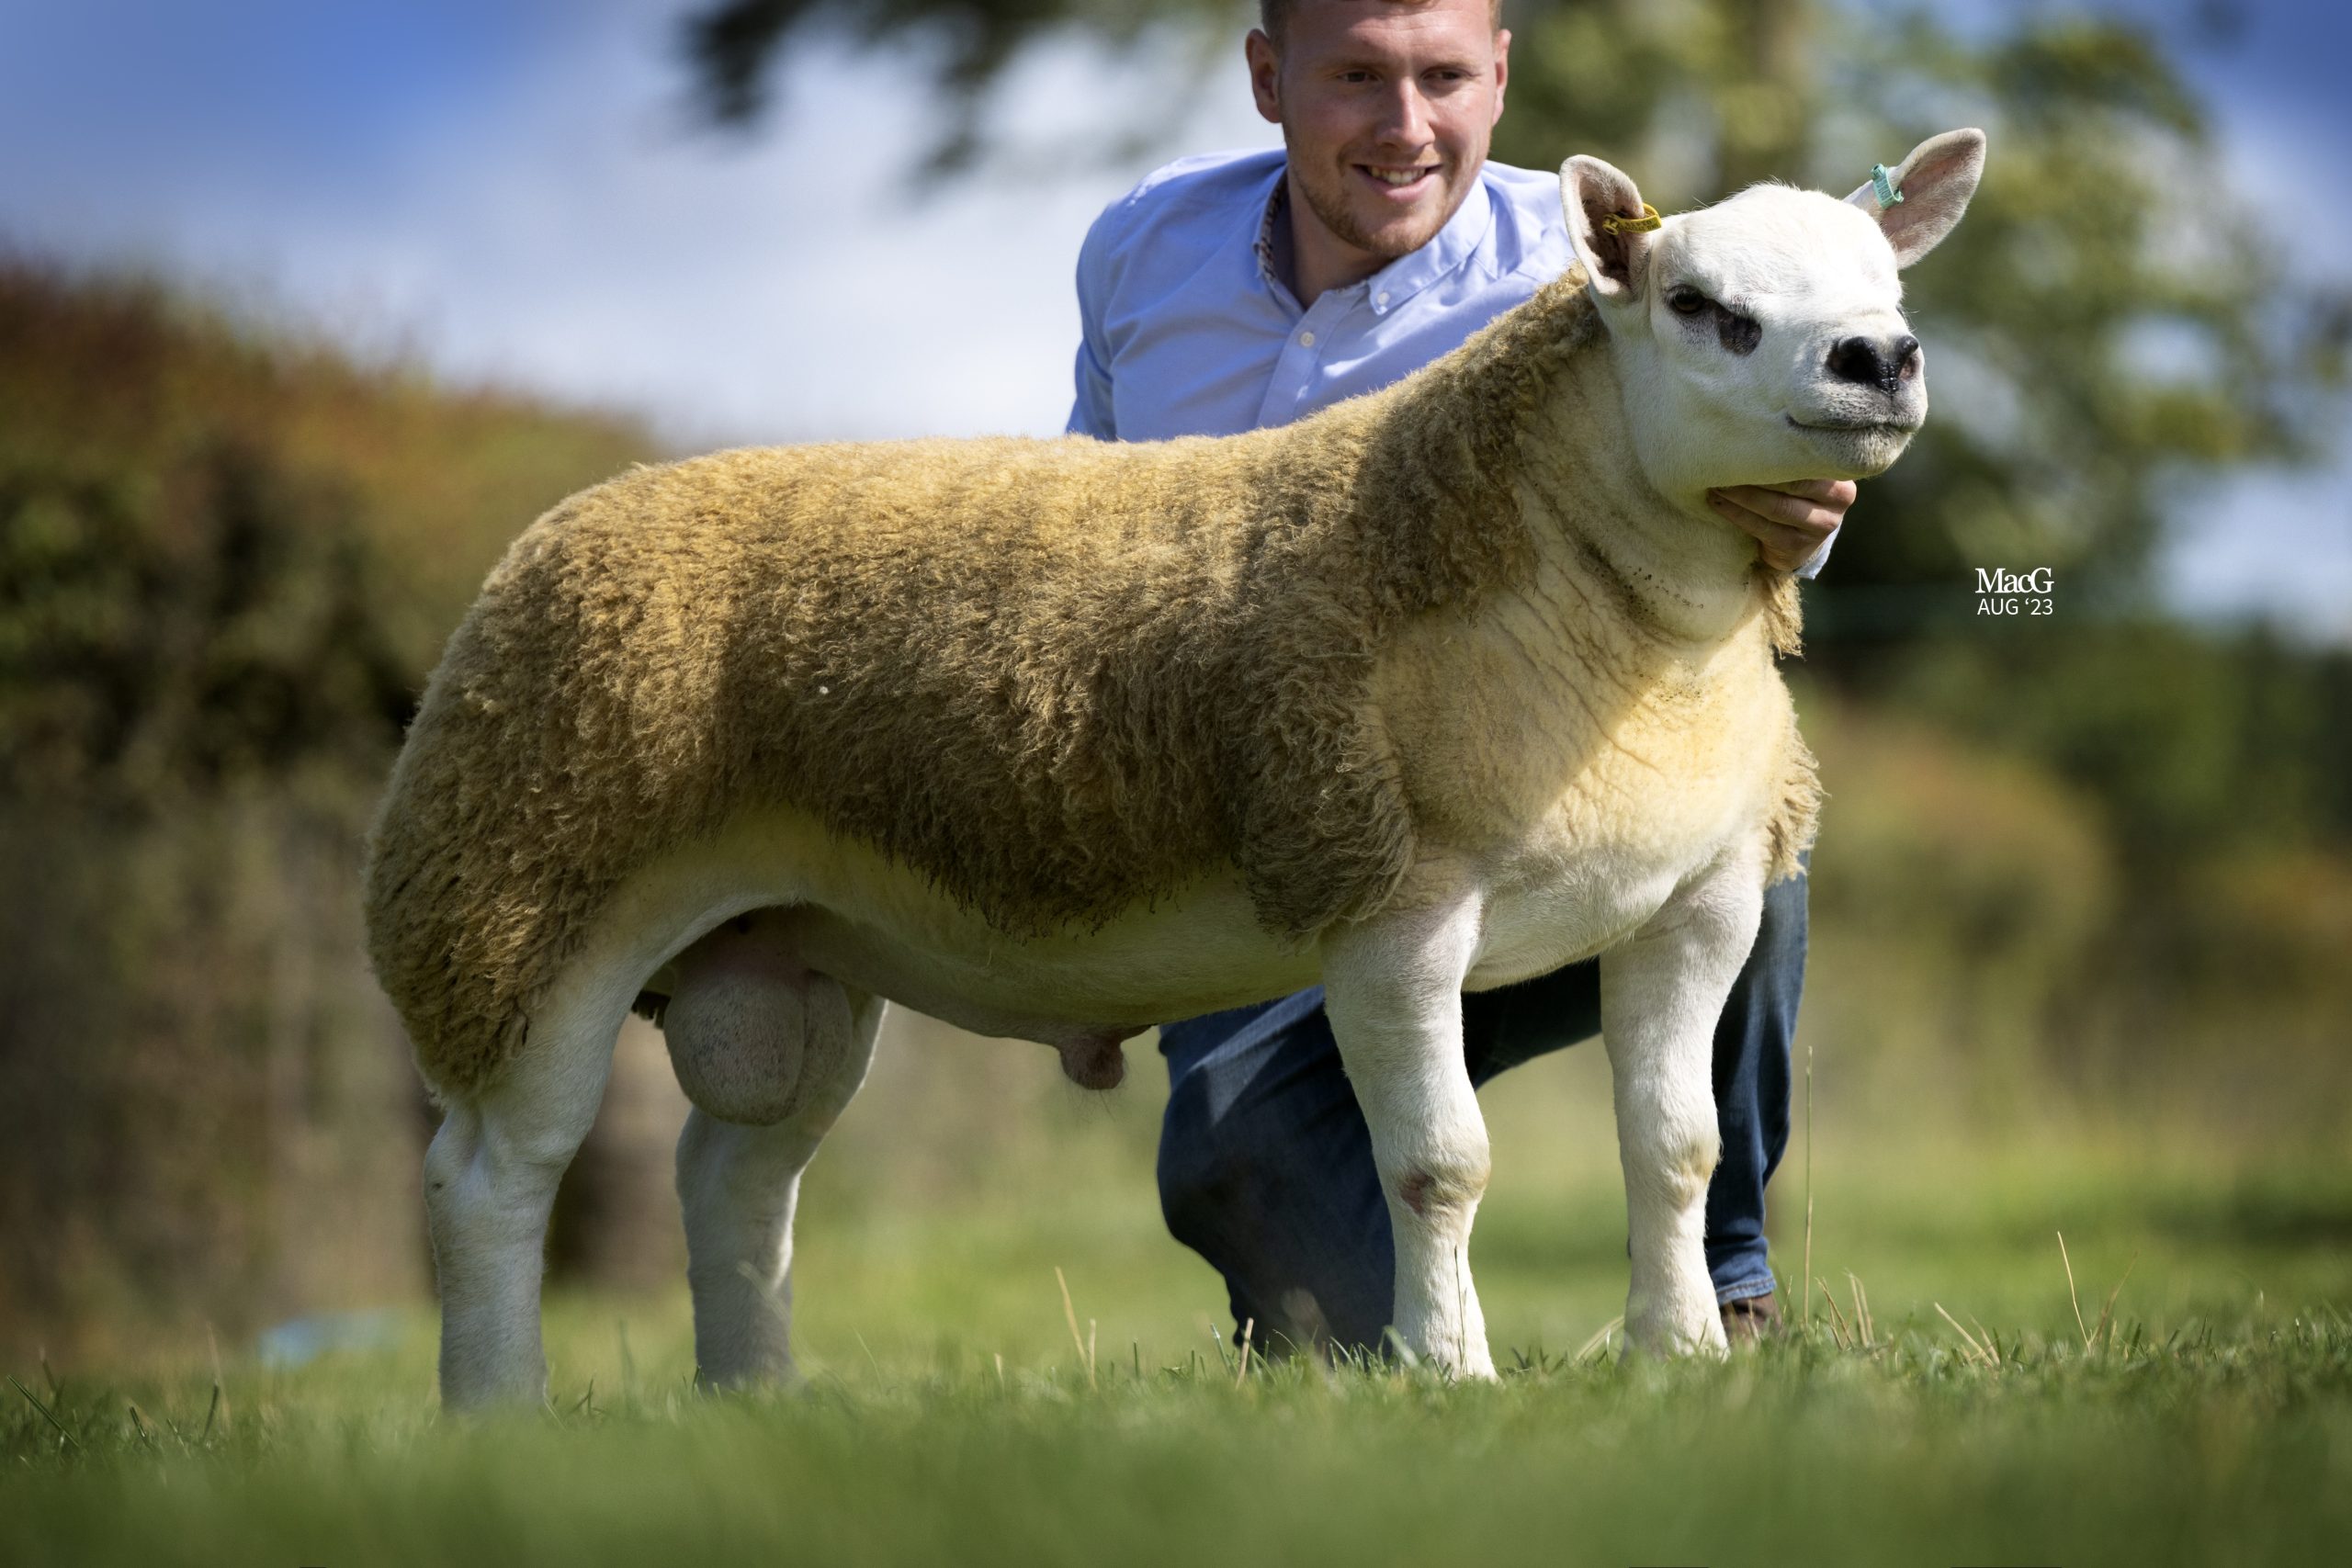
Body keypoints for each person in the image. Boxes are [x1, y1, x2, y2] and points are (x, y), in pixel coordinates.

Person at [1066, 0, 1851, 1353]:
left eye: (1443, 77)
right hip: (1247, 881)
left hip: (1535, 828)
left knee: (1744, 842)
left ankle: (1726, 1291)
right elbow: (1088, 545)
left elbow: (1749, 472)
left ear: (1501, 75)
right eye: (1357, 77)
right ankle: (1370, 1334)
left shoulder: (1609, 268)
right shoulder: (1142, 250)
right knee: (1270, 1222)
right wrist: (1082, 911)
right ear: (1269, 77)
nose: (1406, 125)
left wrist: (1800, 520)